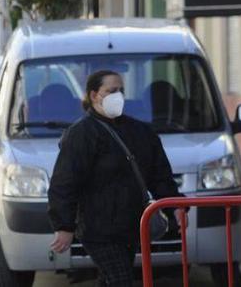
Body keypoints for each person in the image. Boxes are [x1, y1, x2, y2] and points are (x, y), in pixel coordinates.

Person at [48, 70, 181, 286]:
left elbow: (159, 175)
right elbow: (65, 183)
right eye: (111, 90)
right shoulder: (81, 134)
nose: (118, 95)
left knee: (112, 279)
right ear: (94, 95)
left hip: (130, 226)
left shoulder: (140, 131)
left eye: (121, 90)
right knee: (121, 280)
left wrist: (175, 204)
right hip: (97, 230)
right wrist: (64, 226)